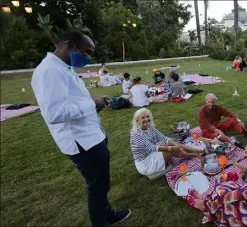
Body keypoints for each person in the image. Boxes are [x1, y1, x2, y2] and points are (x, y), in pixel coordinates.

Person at [31, 31, 130, 227]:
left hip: (91, 136)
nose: (88, 57)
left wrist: (96, 106)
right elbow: (54, 113)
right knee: (97, 187)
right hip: (82, 143)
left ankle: (108, 215)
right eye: (87, 52)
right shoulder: (49, 71)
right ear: (69, 45)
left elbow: (72, 104)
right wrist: (92, 104)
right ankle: (100, 223)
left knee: (100, 184)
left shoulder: (63, 68)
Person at [130, 108, 202, 176]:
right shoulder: (136, 134)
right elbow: (153, 148)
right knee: (172, 150)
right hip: (146, 163)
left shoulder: (149, 127)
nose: (146, 119)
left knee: (176, 144)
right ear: (137, 120)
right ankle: (196, 155)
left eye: (148, 117)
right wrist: (173, 148)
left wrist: (175, 145)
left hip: (153, 153)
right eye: (143, 118)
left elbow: (163, 138)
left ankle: (198, 151)